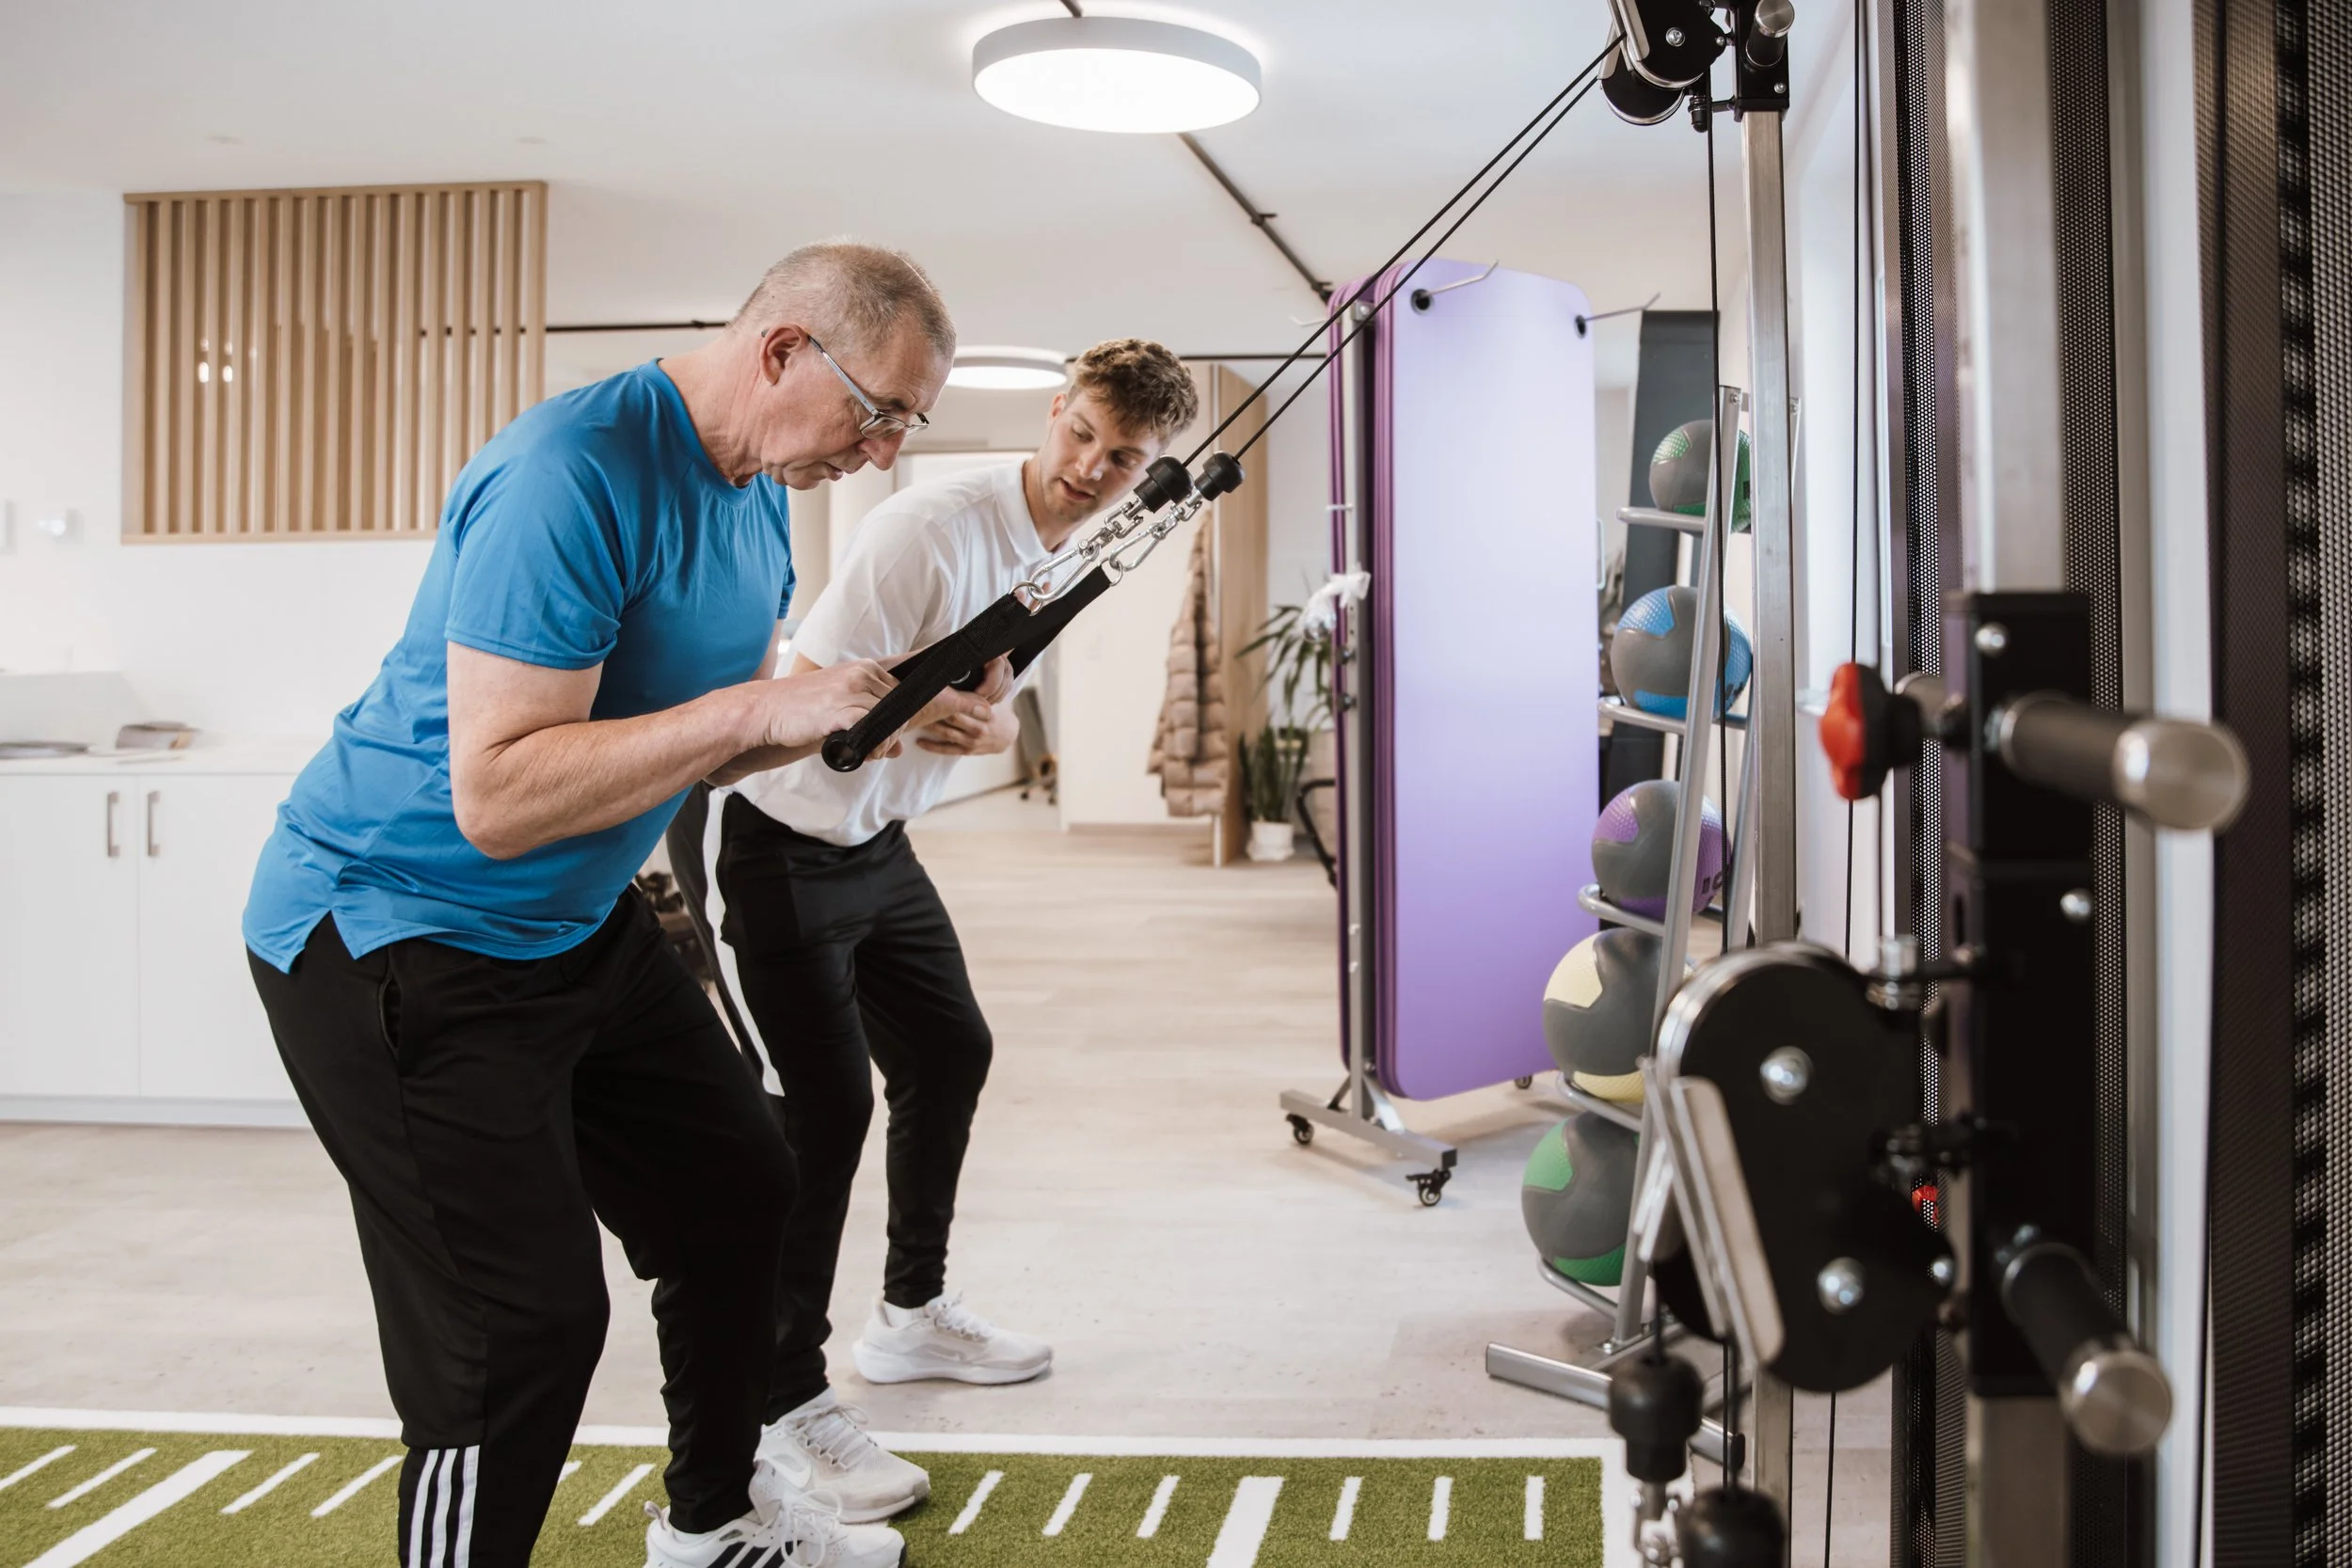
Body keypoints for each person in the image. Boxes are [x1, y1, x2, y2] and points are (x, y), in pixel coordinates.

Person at [242, 242, 990, 1568]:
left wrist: (866, 720)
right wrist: (763, 704)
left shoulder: (756, 487)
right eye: (877, 414)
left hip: (574, 922)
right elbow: (499, 791)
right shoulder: (567, 474)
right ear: (782, 351)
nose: (880, 454)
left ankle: (713, 1522)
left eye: (905, 428)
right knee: (514, 1326)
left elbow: (696, 741)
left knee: (738, 1184)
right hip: (397, 930)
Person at [667, 340, 1201, 1523]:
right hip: (771, 838)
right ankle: (783, 1397)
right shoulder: (925, 528)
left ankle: (909, 1317)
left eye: (1124, 458)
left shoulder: (1063, 543)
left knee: (949, 1051)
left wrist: (982, 732)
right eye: (1081, 435)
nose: (1091, 468)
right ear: (1055, 410)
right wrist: (914, 726)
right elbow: (804, 694)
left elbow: (983, 702)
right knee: (818, 1116)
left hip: (876, 846)